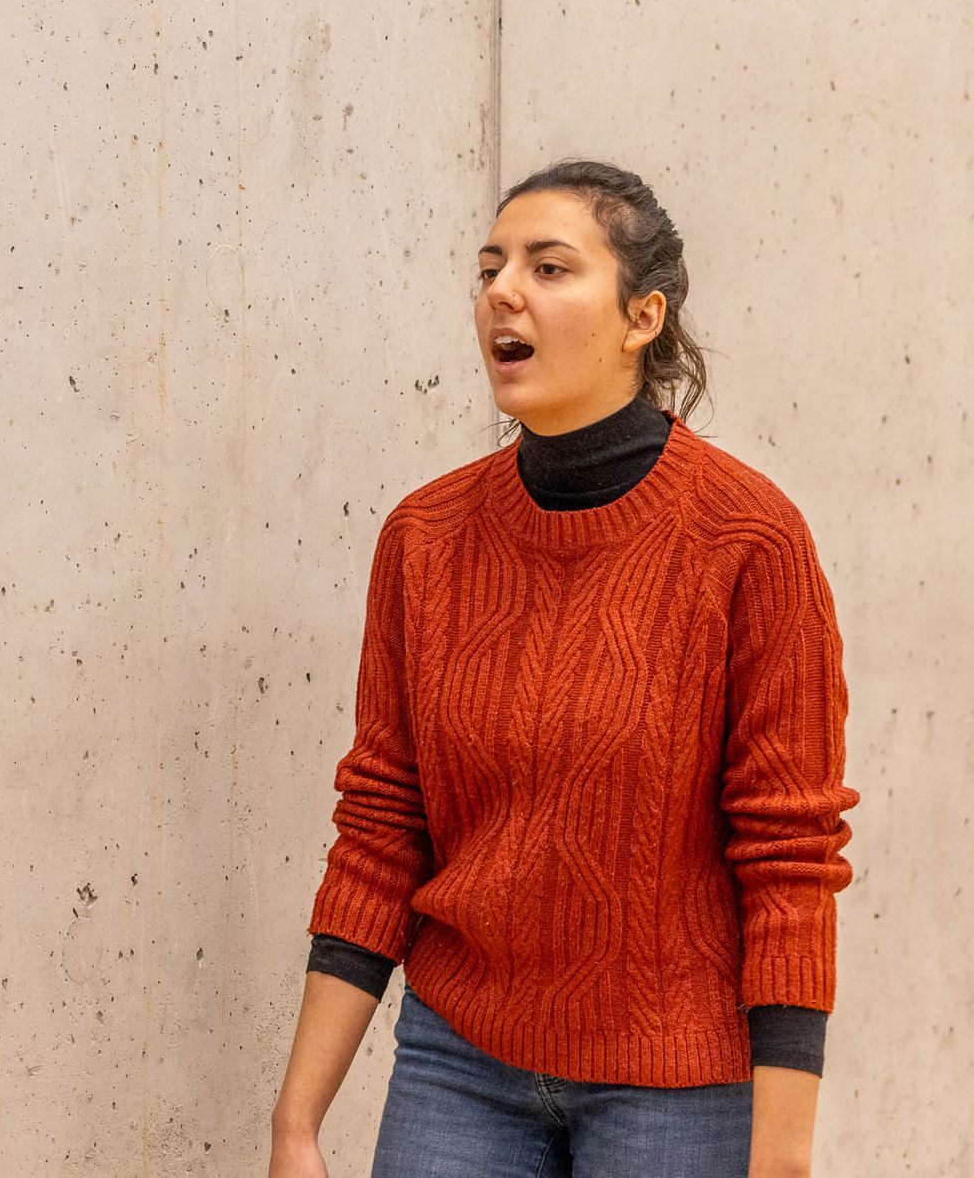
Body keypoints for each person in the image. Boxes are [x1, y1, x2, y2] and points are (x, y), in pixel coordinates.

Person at [269, 161, 858, 1178]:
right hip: (458, 1060)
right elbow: (382, 823)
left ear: (641, 318)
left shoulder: (750, 541)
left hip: (677, 1083)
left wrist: (783, 1157)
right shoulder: (424, 538)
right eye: (490, 267)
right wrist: (296, 1122)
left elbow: (790, 856)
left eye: (548, 267)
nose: (502, 291)